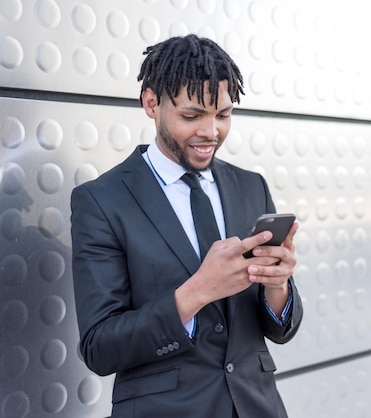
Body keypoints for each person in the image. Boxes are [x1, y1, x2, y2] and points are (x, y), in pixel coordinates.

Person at [70, 34, 303, 418]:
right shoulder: (101, 201)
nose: (211, 132)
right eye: (192, 116)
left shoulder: (251, 186)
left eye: (223, 115)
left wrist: (277, 286)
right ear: (151, 104)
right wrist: (196, 292)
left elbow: (280, 330)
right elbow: (100, 347)